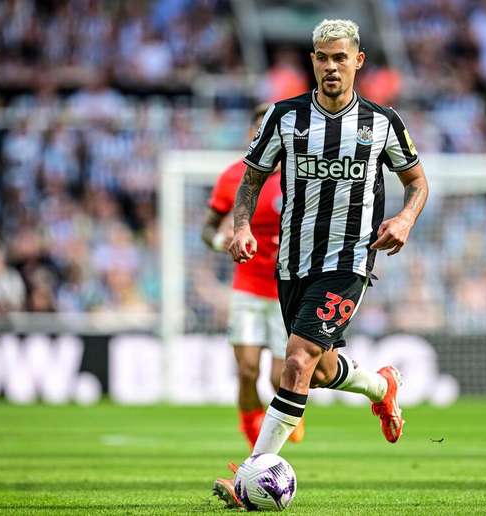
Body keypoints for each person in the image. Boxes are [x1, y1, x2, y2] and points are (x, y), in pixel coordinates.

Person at [213, 19, 429, 508]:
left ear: (358, 61)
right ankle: (381, 385)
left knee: (295, 361)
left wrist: (405, 219)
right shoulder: (283, 118)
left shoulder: (382, 123)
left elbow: (418, 182)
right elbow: (251, 180)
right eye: (322, 57)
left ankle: (250, 476)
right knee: (319, 365)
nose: (330, 67)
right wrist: (242, 225)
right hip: (291, 264)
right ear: (312, 61)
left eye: (340, 58)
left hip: (349, 262)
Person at [202, 104, 305, 449]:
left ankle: (291, 408)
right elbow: (207, 229)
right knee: (247, 371)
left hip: (285, 289)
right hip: (247, 287)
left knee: (280, 376)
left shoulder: (298, 175)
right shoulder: (234, 176)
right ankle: (255, 445)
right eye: (260, 130)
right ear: (252, 135)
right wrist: (222, 241)